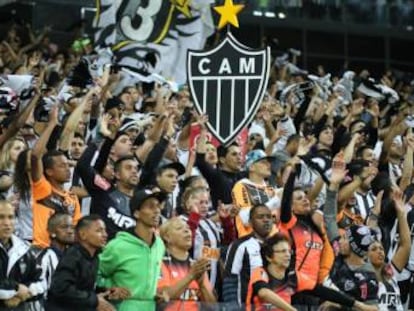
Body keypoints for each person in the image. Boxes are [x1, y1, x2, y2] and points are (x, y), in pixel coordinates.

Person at [98, 188, 167, 311]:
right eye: (150, 206)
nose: (157, 211)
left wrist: (156, 294)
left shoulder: (160, 244)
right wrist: (110, 288)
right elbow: (93, 274)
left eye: (158, 206)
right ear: (136, 213)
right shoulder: (117, 245)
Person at [46, 215, 122, 311]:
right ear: (83, 235)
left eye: (104, 231)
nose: (105, 235)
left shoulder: (94, 258)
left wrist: (107, 292)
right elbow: (61, 288)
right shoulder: (73, 256)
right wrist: (95, 301)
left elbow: (83, 288)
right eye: (99, 231)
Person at [31, 106, 82, 248]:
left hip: (62, 254)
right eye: (62, 166)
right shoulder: (42, 189)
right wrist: (51, 125)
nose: (68, 169)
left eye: (68, 165)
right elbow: (35, 156)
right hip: (40, 249)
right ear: (49, 171)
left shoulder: (72, 198)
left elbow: (76, 229)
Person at [157, 217, 216, 311]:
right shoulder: (160, 263)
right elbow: (164, 297)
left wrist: (202, 286)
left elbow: (212, 307)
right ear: (167, 237)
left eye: (188, 228)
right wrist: (191, 276)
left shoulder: (197, 266)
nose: (187, 231)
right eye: (179, 228)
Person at [222, 204, 273, 308]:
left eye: (269, 216)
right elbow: (230, 282)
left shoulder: (277, 245)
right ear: (250, 222)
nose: (266, 220)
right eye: (260, 217)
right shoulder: (240, 245)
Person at [367, 188, 410, 310]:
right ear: (365, 254)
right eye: (374, 249)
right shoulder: (361, 278)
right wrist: (375, 214)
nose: (380, 251)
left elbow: (405, 246)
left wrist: (401, 214)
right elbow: (367, 237)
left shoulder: (390, 272)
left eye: (381, 248)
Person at [0, 200, 46, 310]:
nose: (7, 223)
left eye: (11, 217)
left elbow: (41, 281)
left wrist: (21, 296)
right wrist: (15, 289)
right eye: (1, 217)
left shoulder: (24, 249)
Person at [232, 149, 281, 237]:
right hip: (250, 240)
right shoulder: (241, 185)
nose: (268, 165)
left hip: (273, 239)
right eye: (263, 162)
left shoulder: (271, 190)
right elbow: (246, 219)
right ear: (251, 167)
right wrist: (275, 201)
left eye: (268, 162)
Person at [38, 213, 75, 291]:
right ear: (52, 232)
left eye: (72, 227)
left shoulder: (74, 256)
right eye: (64, 227)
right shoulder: (45, 259)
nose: (70, 231)